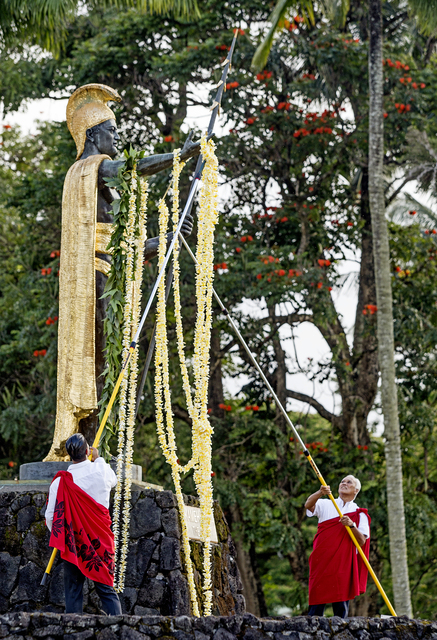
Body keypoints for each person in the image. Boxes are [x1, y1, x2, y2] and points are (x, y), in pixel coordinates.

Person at [44, 83, 200, 461]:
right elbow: (133, 168)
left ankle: (92, 446)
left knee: (108, 362)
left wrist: (169, 237)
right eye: (112, 131)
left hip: (106, 279)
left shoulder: (100, 191)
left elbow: (124, 250)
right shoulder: (87, 170)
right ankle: (78, 443)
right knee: (95, 361)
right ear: (93, 135)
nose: (117, 137)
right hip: (91, 283)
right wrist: (180, 155)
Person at [45, 433, 121, 614]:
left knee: (73, 591)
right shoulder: (101, 471)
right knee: (106, 590)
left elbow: (50, 517)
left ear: (69, 455)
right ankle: (119, 629)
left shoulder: (60, 482)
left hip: (73, 541)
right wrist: (99, 459)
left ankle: (73, 632)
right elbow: (114, 480)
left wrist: (64, 536)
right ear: (87, 451)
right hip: (101, 540)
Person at [305, 475, 371, 618]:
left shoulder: (359, 514)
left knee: (340, 604)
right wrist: (319, 493)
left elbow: (361, 541)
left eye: (349, 482)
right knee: (317, 599)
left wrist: (351, 526)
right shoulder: (326, 504)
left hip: (343, 561)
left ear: (356, 490)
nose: (344, 483)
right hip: (321, 558)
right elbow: (308, 505)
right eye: (342, 481)